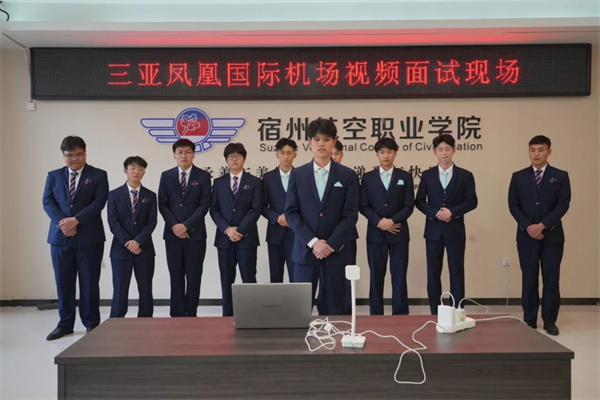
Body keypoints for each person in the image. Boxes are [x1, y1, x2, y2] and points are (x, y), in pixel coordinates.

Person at [285, 118, 359, 315]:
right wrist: (314, 242)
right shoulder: (298, 174)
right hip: (305, 251)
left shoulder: (347, 175)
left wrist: (330, 244)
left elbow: (351, 215)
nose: (321, 144)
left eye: (326, 139)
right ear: (309, 142)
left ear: (334, 142)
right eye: (316, 139)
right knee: (300, 311)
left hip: (336, 253)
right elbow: (291, 212)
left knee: (335, 310)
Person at [43, 136, 108, 340]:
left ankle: (91, 323)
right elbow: (47, 202)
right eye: (69, 155)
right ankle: (65, 324)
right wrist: (64, 223)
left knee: (89, 281)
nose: (74, 159)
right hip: (60, 238)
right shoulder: (53, 176)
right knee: (63, 282)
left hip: (90, 238)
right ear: (63, 155)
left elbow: (99, 203)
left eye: (78, 154)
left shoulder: (98, 175)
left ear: (85, 154)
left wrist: (76, 221)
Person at [508, 135, 571, 336]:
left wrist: (542, 226)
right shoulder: (518, 176)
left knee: (551, 278)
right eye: (533, 150)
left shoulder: (560, 176)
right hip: (526, 236)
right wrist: (529, 227)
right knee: (529, 277)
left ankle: (550, 320)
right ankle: (529, 319)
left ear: (549, 152)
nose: (536, 154)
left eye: (541, 150)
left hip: (552, 237)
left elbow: (563, 205)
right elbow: (513, 205)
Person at [415, 134, 478, 315]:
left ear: (454, 150)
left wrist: (452, 212)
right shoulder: (427, 175)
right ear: (435, 152)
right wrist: (436, 213)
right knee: (433, 273)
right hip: (433, 231)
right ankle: (436, 312)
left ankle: (458, 312)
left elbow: (472, 201)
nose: (444, 153)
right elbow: (419, 201)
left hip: (455, 231)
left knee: (456, 272)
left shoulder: (465, 175)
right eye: (440, 149)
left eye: (447, 149)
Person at [360, 138, 414, 315]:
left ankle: (400, 313)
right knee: (376, 276)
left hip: (399, 233)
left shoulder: (405, 176)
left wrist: (392, 221)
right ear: (377, 154)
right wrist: (379, 222)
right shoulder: (368, 177)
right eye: (382, 152)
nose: (386, 156)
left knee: (399, 275)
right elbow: (363, 205)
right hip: (375, 235)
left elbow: (409, 205)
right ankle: (376, 314)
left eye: (389, 152)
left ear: (395, 153)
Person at [158, 139, 211, 317]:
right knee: (176, 276)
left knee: (194, 276)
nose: (184, 155)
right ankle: (176, 314)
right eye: (180, 152)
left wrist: (187, 225)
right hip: (172, 235)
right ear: (174, 155)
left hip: (195, 235)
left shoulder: (203, 176)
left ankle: (191, 313)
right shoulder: (166, 176)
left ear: (193, 154)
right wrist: (176, 226)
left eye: (188, 152)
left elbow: (204, 204)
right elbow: (162, 204)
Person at [210, 143, 262, 316]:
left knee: (249, 279)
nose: (234, 159)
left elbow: (256, 209)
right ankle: (227, 316)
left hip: (247, 239)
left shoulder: (254, 182)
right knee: (226, 279)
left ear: (244, 159)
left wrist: (239, 230)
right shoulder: (218, 183)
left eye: (238, 156)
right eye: (230, 156)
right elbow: (214, 209)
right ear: (226, 160)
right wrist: (227, 229)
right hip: (224, 240)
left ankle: (251, 316)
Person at [107, 156, 157, 318]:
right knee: (120, 289)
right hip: (121, 250)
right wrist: (128, 242)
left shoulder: (150, 196)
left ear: (144, 172)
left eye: (140, 169)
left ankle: (145, 321)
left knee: (145, 289)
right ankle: (117, 321)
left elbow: (152, 222)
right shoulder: (114, 195)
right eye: (133, 168)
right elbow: (113, 222)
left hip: (144, 249)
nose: (137, 172)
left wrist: (138, 241)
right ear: (125, 171)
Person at [262, 138, 297, 283]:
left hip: (296, 233)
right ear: (277, 154)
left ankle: (296, 300)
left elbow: (307, 205)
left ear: (295, 154)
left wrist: (291, 218)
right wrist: (276, 218)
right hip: (275, 233)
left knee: (296, 275)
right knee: (275, 275)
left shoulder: (302, 175)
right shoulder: (268, 178)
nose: (286, 156)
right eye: (282, 153)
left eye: (289, 153)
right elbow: (262, 206)